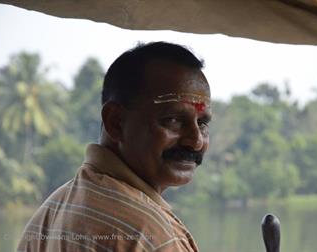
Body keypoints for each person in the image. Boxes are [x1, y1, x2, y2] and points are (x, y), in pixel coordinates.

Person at [17, 41, 212, 252]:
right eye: (173, 120)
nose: (196, 140)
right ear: (116, 122)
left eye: (202, 124)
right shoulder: (153, 237)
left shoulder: (47, 216)